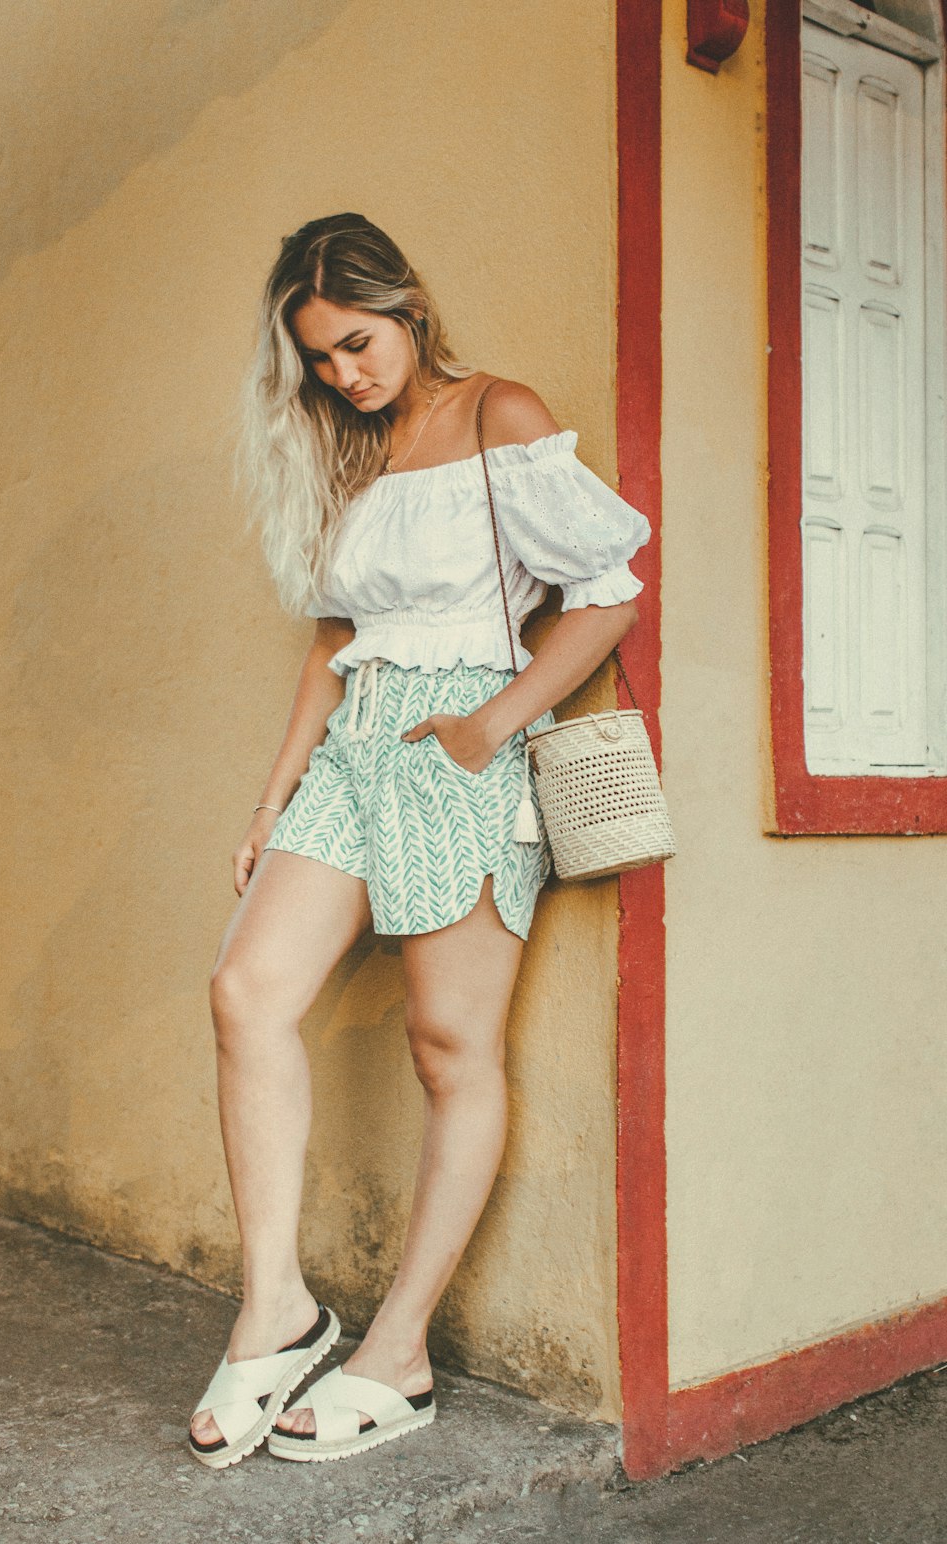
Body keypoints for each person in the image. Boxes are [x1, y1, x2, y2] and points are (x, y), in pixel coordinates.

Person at [187, 213, 651, 1468]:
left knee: (449, 1047)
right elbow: (334, 640)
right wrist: (271, 794)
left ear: (408, 310)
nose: (346, 374)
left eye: (358, 342)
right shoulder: (355, 453)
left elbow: (607, 589)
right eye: (323, 360)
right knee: (245, 990)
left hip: (461, 749)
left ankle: (399, 1353)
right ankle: (277, 1309)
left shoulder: (502, 415)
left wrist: (488, 726)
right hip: (354, 753)